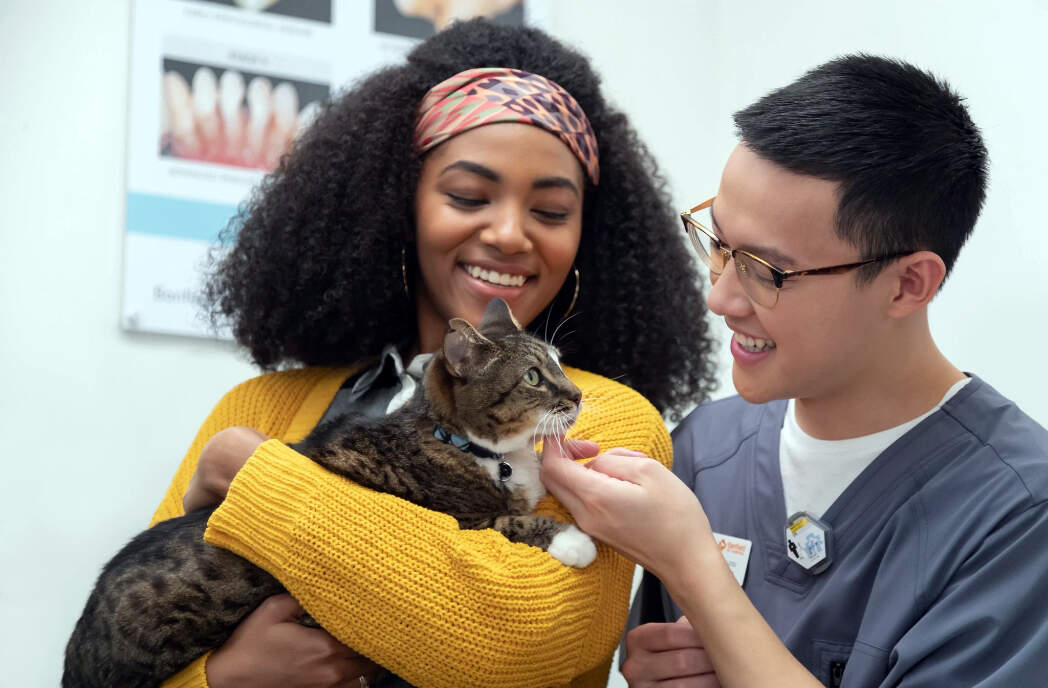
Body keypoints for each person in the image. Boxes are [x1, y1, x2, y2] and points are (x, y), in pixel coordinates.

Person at [147, 18, 718, 688]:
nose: (509, 234)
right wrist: (226, 677)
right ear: (399, 206)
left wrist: (259, 479)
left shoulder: (602, 422)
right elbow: (131, 645)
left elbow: (509, 641)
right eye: (469, 195)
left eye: (552, 212)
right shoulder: (259, 407)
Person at [541, 54, 1048, 686]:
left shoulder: (1020, 514)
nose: (720, 297)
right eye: (718, 245)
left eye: (767, 272)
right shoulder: (707, 449)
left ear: (907, 284)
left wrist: (697, 570)